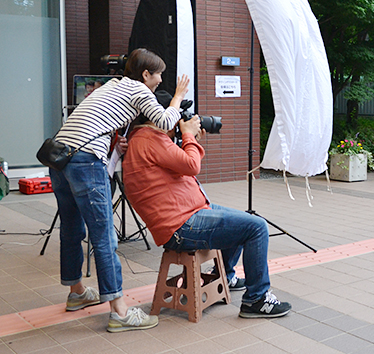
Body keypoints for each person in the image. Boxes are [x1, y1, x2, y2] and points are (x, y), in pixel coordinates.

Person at [50, 48, 190, 332]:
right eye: (159, 74)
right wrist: (177, 96)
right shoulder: (139, 90)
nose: (161, 80)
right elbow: (164, 122)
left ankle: (77, 292)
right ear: (146, 74)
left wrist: (115, 145)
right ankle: (119, 312)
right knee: (103, 237)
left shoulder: (110, 86)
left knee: (72, 229)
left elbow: (96, 123)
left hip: (60, 156)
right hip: (86, 160)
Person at [121, 92, 292, 319]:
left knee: (241, 221)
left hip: (188, 213)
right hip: (181, 225)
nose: (180, 118)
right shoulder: (150, 140)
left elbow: (179, 164)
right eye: (176, 113)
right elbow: (192, 165)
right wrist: (188, 136)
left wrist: (190, 139)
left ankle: (227, 276)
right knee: (256, 227)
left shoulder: (146, 137)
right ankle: (256, 300)